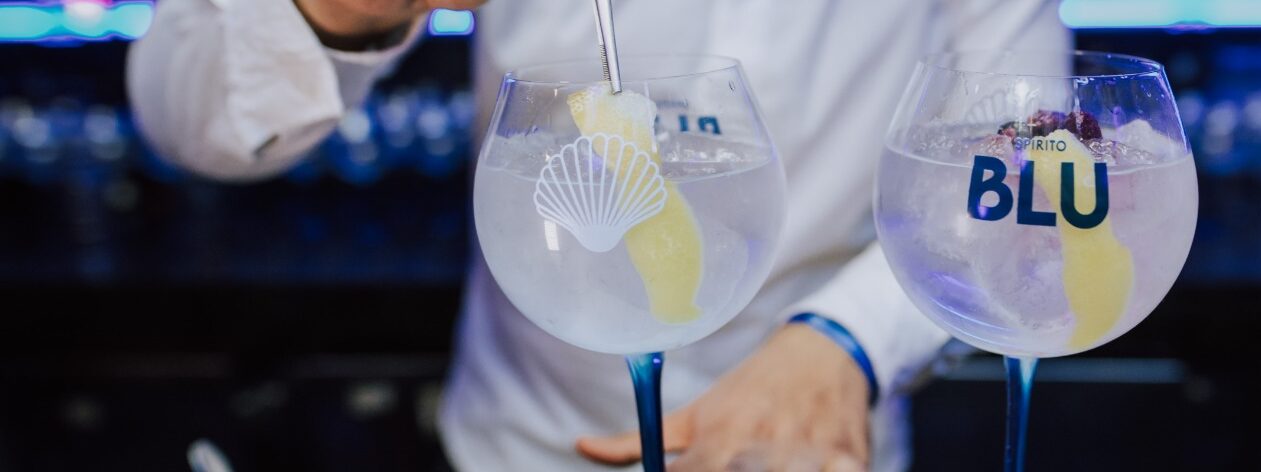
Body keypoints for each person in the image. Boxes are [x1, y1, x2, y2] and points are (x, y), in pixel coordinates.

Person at [126, 0, 1069, 470]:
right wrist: (339, 11)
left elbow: (1023, 172)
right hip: (524, 443)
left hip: (811, 445)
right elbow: (187, 124)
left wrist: (852, 338)